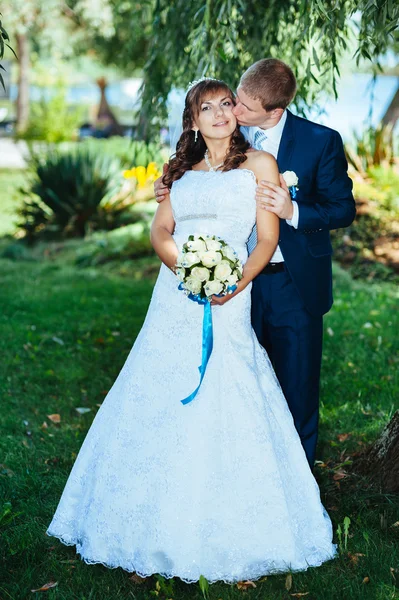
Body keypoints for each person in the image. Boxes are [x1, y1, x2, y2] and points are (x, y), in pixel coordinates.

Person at [47, 79, 336, 584]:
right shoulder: (178, 171)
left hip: (231, 296)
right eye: (209, 107)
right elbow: (160, 230)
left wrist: (231, 282)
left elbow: (267, 238)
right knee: (156, 385)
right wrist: (187, 269)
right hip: (174, 295)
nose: (222, 113)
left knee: (233, 385)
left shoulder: (260, 167)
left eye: (228, 104)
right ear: (194, 120)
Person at [154, 59, 356, 468]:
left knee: (295, 387)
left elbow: (342, 209)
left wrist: (292, 209)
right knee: (239, 383)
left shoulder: (320, 141)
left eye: (240, 106)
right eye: (231, 102)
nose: (233, 113)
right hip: (237, 283)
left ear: (274, 112)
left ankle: (297, 480)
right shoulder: (226, 131)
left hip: (291, 282)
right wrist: (171, 185)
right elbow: (195, 181)